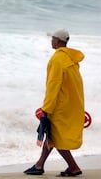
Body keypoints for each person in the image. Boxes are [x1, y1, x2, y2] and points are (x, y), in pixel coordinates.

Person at [24, 29, 85, 177]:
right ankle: (40, 165)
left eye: (52, 38)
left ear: (58, 41)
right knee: (52, 135)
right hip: (71, 104)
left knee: (56, 137)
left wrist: (46, 108)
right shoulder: (71, 59)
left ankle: (73, 167)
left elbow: (53, 85)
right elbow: (77, 85)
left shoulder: (57, 59)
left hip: (60, 106)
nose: (51, 41)